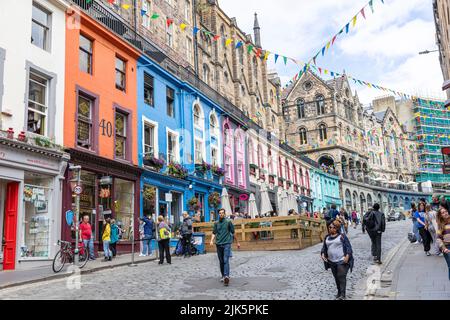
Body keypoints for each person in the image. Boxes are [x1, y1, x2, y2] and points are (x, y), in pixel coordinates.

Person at [321, 219, 354, 300]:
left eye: (332, 227)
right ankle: (339, 291)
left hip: (342, 260)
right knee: (336, 277)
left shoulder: (342, 236)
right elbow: (324, 247)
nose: (330, 229)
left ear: (337, 228)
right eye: (329, 227)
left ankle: (343, 294)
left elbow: (348, 247)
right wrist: (322, 254)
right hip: (332, 261)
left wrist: (347, 256)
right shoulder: (327, 237)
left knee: (341, 276)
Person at [210, 208, 235, 286]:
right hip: (218, 244)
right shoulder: (216, 223)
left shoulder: (228, 222)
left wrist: (237, 242)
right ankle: (223, 275)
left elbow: (233, 232)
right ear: (218, 214)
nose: (221, 214)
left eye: (222, 213)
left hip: (227, 243)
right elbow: (214, 233)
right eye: (220, 213)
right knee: (221, 261)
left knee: (225, 260)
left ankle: (226, 276)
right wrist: (211, 240)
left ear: (224, 214)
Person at [436, 207, 450, 280]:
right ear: (440, 215)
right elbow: (438, 238)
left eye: (446, 211)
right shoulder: (441, 225)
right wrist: (444, 248)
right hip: (447, 248)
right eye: (443, 212)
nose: (445, 213)